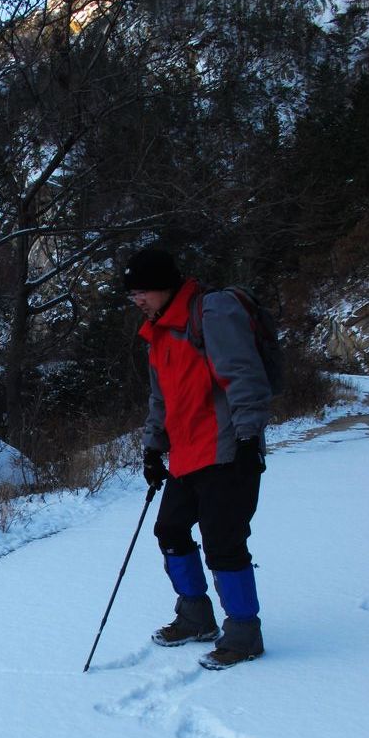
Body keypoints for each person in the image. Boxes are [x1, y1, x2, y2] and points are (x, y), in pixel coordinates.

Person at [123, 246, 272, 670]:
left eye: (143, 291)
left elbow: (244, 377)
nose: (137, 300)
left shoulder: (212, 314)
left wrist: (248, 439)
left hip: (226, 450)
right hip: (187, 453)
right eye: (132, 293)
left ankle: (243, 633)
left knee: (224, 542)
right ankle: (195, 616)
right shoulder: (158, 332)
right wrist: (154, 447)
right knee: (169, 530)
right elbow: (161, 398)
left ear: (166, 285)